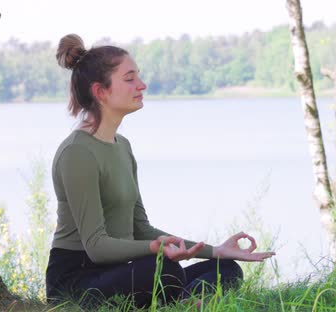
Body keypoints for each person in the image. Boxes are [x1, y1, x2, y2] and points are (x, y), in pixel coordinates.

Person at [45, 34, 275, 308]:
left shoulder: (122, 147)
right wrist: (155, 249)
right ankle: (179, 303)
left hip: (117, 275)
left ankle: (177, 304)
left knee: (226, 270)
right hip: (77, 282)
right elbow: (96, 246)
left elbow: (140, 228)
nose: (141, 85)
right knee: (163, 270)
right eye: (130, 79)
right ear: (100, 92)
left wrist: (215, 251)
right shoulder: (78, 153)